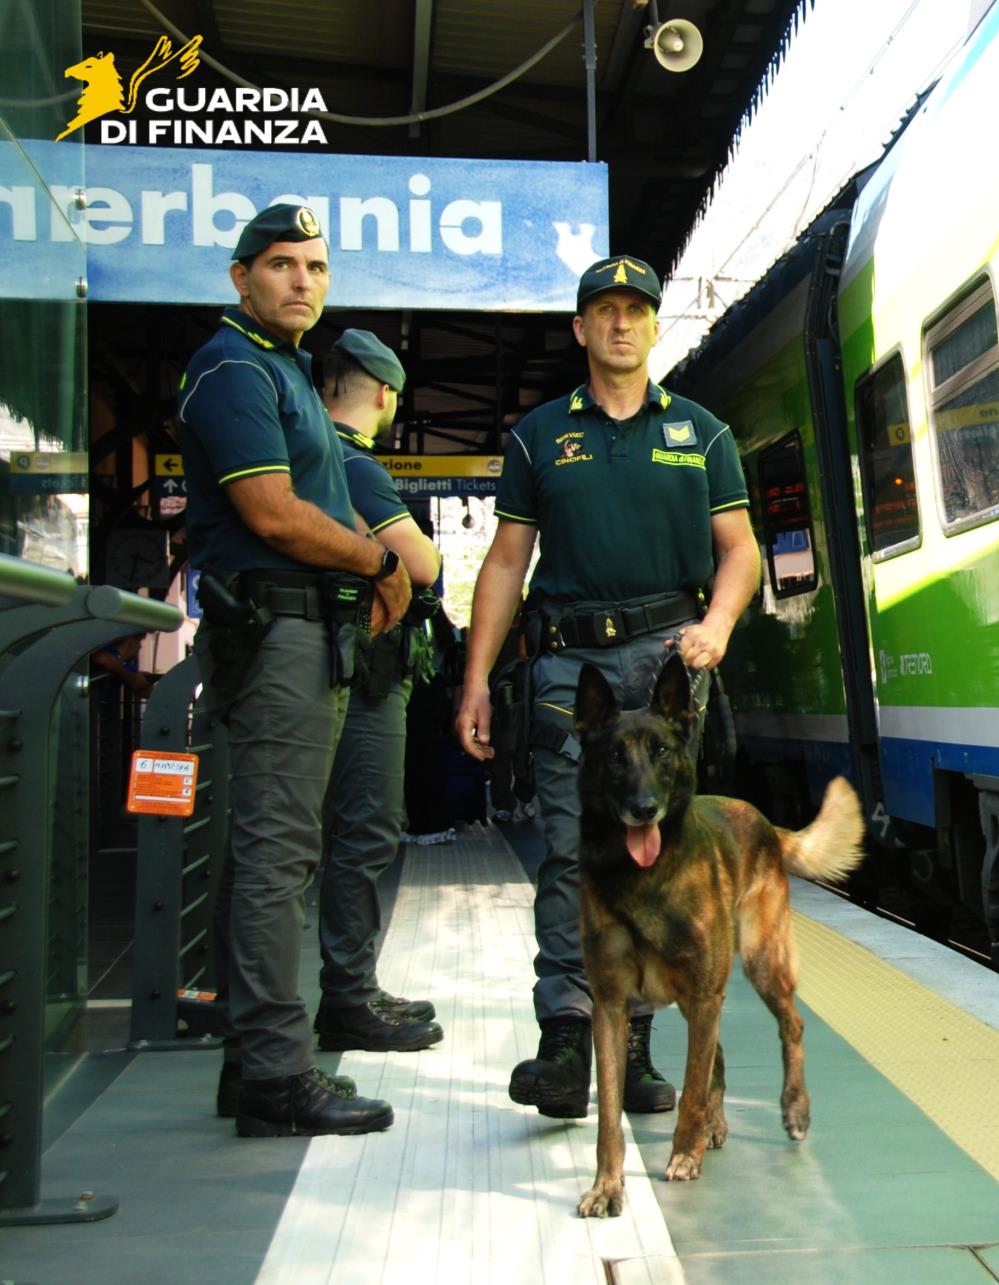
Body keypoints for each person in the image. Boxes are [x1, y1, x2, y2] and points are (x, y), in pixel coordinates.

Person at [454, 256, 759, 1119]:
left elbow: (738, 550)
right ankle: (564, 1043)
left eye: (637, 310)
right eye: (604, 311)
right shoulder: (540, 435)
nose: (621, 324)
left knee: (663, 862)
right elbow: (507, 561)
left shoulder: (702, 433)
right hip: (571, 675)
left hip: (669, 669)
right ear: (580, 329)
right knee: (568, 854)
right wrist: (477, 677)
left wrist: (721, 624)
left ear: (655, 326)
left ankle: (636, 1045)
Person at [179, 203, 409, 1137]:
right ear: (242, 277)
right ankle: (275, 1073)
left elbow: (314, 498)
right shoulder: (232, 365)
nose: (301, 281)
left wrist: (367, 568)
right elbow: (272, 513)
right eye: (280, 265)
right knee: (279, 854)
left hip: (304, 633)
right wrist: (379, 563)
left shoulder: (283, 371)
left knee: (280, 849)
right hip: (273, 632)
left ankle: (254, 1063)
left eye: (315, 266)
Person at [313, 329, 445, 1053]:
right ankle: (348, 996)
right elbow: (420, 563)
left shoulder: (310, 454)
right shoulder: (353, 463)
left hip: (340, 664)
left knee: (339, 833)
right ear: (385, 394)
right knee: (365, 829)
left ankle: (351, 986)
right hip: (364, 676)